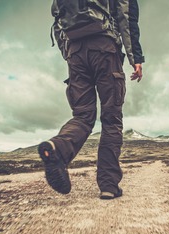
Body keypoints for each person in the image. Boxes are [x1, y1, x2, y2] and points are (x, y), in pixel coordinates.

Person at [38, 0, 144, 199]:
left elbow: (57, 18)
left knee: (82, 116)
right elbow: (126, 18)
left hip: (75, 52)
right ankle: (108, 185)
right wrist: (135, 57)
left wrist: (69, 55)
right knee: (111, 119)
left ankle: (58, 149)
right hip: (105, 48)